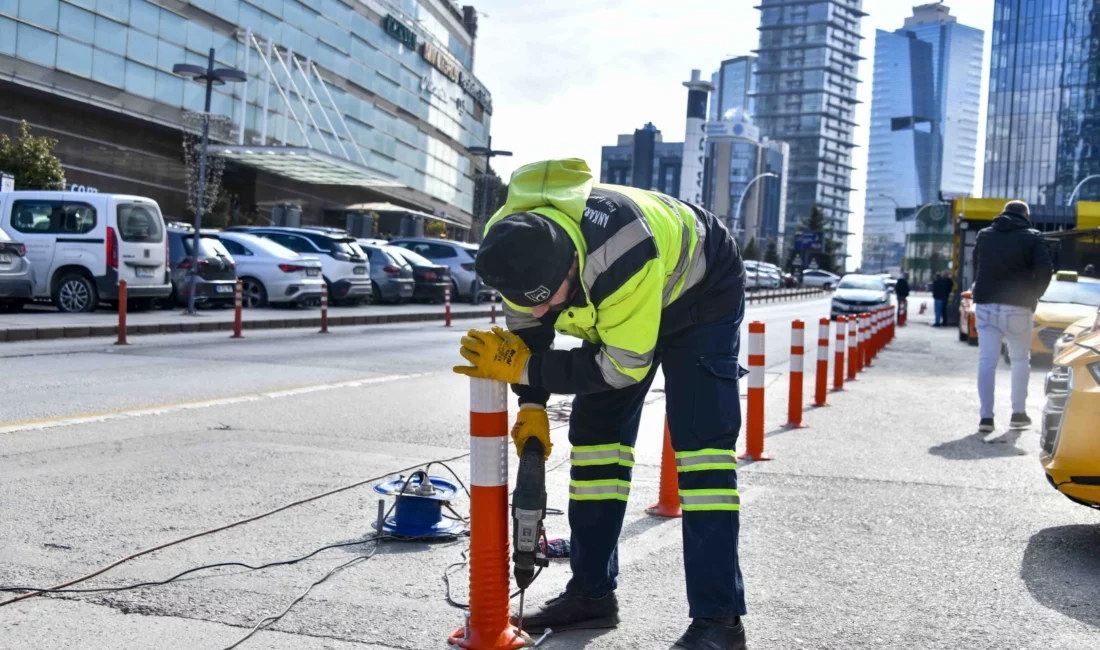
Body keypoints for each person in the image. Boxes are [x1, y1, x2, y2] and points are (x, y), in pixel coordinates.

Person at [453, 159, 748, 650]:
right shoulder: (511, 246)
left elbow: (621, 367)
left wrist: (524, 370)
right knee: (595, 446)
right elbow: (529, 335)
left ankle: (720, 623)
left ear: (573, 263)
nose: (541, 309)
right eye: (530, 300)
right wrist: (531, 406)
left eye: (547, 298)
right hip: (621, 297)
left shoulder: (620, 252)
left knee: (703, 455)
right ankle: (591, 595)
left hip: (699, 293)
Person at [971, 200, 1053, 433]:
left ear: (1003, 213)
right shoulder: (1033, 236)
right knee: (1019, 360)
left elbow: (976, 264)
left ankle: (986, 418)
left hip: (986, 304)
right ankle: (1018, 414)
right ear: (1026, 215)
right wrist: (1034, 295)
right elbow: (1046, 270)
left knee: (987, 361)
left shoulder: (984, 235)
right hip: (1018, 306)